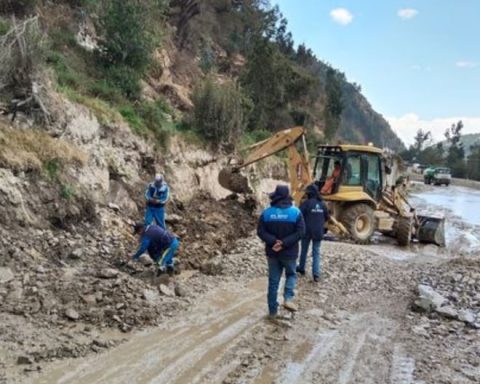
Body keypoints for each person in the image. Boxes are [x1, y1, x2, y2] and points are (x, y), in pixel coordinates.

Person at [257, 185, 305, 319]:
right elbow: (301, 232)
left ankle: (272, 312)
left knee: (273, 282)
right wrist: (284, 243)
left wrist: (274, 242)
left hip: (272, 252)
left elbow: (260, 231)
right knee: (291, 275)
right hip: (289, 253)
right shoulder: (295, 213)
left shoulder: (267, 213)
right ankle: (288, 298)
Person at [297, 184, 330, 282]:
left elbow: (298, 215)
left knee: (304, 250)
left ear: (309, 193)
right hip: (318, 232)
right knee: (316, 252)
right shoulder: (322, 204)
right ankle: (316, 274)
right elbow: (327, 217)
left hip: (307, 231)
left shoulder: (306, 204)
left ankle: (301, 268)